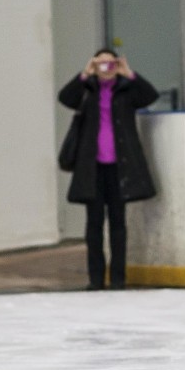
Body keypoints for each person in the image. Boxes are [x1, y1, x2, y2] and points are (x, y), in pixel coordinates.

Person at [57, 49, 158, 290]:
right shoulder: (87, 90)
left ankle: (118, 278)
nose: (105, 69)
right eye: (100, 64)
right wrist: (84, 73)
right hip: (92, 168)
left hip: (119, 167)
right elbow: (65, 97)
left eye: (109, 64)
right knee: (93, 225)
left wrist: (129, 73)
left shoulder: (125, 90)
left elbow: (149, 96)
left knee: (118, 224)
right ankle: (95, 278)